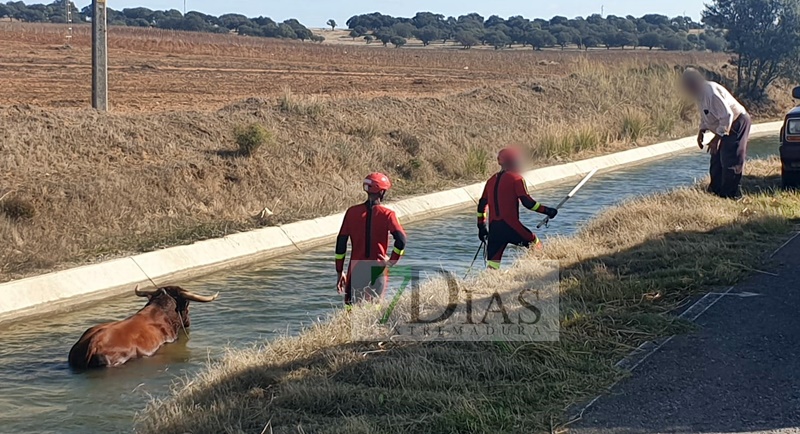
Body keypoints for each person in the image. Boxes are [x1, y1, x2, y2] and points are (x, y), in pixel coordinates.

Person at [476, 147, 558, 270]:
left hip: (494, 229)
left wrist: (482, 227)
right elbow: (528, 203)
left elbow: (482, 205)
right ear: (514, 162)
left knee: (493, 264)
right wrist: (547, 211)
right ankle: (540, 272)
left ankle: (490, 283)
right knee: (535, 243)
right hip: (511, 226)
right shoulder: (516, 178)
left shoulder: (490, 181)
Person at [335, 173, 407, 305]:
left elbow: (341, 244)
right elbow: (401, 240)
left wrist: (340, 271)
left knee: (351, 310)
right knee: (374, 310)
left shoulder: (352, 212)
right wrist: (392, 260)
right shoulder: (388, 215)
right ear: (382, 192)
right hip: (378, 268)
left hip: (356, 267)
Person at [682, 68, 751, 199]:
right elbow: (706, 114)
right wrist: (701, 131)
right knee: (716, 158)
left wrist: (717, 138)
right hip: (723, 126)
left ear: (695, 82)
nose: (686, 89)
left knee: (730, 159)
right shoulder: (699, 94)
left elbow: (727, 115)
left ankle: (731, 195)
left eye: (687, 85)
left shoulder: (711, 92)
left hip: (737, 122)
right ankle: (716, 191)